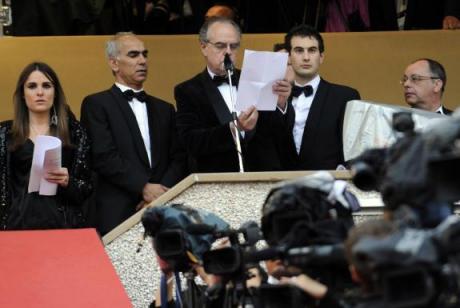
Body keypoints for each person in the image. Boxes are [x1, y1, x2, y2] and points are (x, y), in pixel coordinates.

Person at [80, 32, 187, 235]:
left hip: (163, 208)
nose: (142, 61)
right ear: (114, 64)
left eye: (144, 54)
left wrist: (160, 193)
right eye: (133, 55)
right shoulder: (97, 104)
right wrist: (143, 187)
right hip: (116, 210)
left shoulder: (165, 108)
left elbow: (180, 156)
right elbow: (103, 156)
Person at [174, 17, 291, 172]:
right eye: (220, 46)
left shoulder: (256, 80)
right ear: (203, 47)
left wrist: (281, 105)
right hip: (217, 181)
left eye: (234, 46)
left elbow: (276, 136)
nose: (228, 51)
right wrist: (234, 128)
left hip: (260, 177)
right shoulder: (188, 90)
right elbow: (191, 141)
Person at [253, 24, 360, 171]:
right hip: (283, 186)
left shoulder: (345, 96)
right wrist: (280, 106)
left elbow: (354, 149)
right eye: (298, 50)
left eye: (312, 50)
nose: (306, 57)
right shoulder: (272, 99)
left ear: (321, 57)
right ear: (289, 57)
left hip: (328, 186)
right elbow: (265, 147)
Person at [0, 62, 92, 230]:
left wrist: (68, 181)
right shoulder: (5, 133)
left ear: (55, 93)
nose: (40, 92)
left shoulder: (75, 132)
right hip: (16, 225)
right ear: (22, 94)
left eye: (47, 86)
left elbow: (87, 189)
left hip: (63, 224)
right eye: (32, 86)